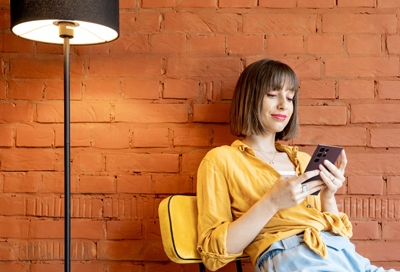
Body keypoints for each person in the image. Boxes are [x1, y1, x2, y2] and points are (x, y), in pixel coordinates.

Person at [196, 59, 398, 272]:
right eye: (272, 95)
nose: (284, 104)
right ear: (249, 99)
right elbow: (213, 254)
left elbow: (339, 234)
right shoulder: (221, 160)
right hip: (290, 256)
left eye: (290, 97)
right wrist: (271, 203)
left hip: (342, 253)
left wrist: (327, 196)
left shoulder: (301, 160)